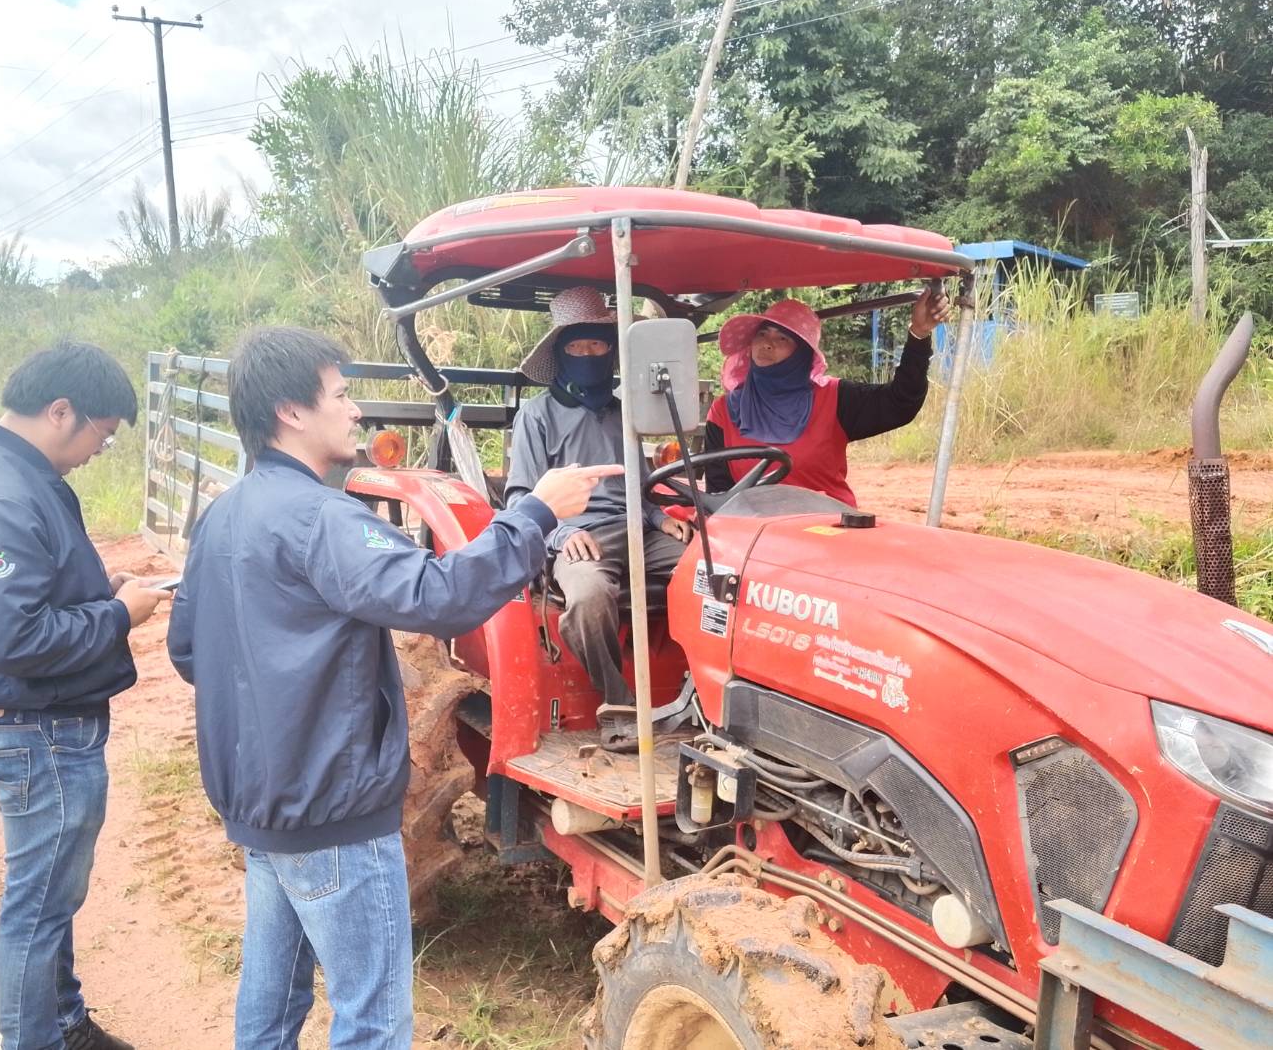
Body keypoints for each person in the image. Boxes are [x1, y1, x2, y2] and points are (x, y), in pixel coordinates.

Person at [165, 325, 616, 1050]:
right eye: (340, 396)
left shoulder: (223, 514)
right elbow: (438, 596)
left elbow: (188, 648)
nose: (354, 411)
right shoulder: (322, 520)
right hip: (332, 812)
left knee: (272, 997)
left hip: (263, 804)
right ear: (291, 411)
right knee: (370, 1020)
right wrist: (536, 511)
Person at [0, 342, 171, 1050]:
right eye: (102, 433)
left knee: (51, 896)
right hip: (39, 733)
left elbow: (28, 593)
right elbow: (18, 640)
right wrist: (120, 614)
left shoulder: (11, 472)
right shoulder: (1, 494)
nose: (101, 449)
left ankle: (64, 1024)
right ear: (60, 410)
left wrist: (104, 589)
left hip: (41, 726)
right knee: (36, 909)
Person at [504, 286, 692, 748]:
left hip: (637, 532)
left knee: (715, 570)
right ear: (561, 354)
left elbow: (640, 488)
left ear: (611, 352)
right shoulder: (537, 415)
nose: (588, 355)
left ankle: (703, 691)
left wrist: (656, 518)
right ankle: (619, 707)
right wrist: (562, 530)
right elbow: (520, 496)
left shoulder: (624, 413)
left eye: (598, 345)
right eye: (577, 347)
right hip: (575, 534)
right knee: (587, 596)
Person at [703, 290, 950, 506]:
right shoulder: (724, 410)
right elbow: (718, 492)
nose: (767, 344)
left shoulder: (833, 397)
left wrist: (918, 334)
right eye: (762, 334)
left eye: (782, 338)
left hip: (826, 532)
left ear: (801, 353)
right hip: (754, 538)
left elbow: (900, 403)